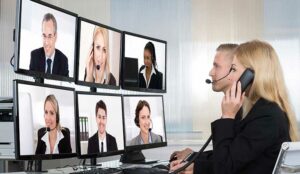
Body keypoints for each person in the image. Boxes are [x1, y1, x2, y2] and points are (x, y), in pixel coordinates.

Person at [170, 40, 298, 174]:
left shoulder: (267, 117)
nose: (229, 76)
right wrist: (195, 166)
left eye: (234, 69)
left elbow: (225, 168)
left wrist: (227, 117)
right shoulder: (259, 109)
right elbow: (234, 156)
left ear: (251, 75)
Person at [169, 43, 238, 162]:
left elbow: (227, 164)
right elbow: (226, 154)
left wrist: (227, 117)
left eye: (216, 66)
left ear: (233, 70)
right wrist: (193, 156)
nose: (211, 72)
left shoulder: (246, 113)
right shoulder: (235, 108)